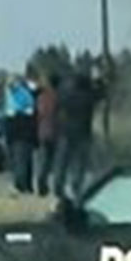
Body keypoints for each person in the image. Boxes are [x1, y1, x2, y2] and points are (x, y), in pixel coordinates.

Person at [55, 62, 106, 199]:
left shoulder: (67, 96)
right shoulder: (88, 96)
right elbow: (102, 94)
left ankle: (58, 185)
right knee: (79, 164)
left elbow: (58, 101)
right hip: (83, 133)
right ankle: (75, 186)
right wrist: (98, 79)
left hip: (65, 132)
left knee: (62, 162)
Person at [3, 65, 39, 196]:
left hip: (20, 131)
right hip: (18, 132)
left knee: (21, 160)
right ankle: (25, 185)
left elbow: (26, 111)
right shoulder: (12, 93)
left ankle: (20, 185)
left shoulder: (20, 94)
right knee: (22, 160)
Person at [34, 72, 62, 197]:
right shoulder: (58, 97)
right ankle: (54, 186)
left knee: (44, 160)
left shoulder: (42, 97)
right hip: (56, 131)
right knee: (55, 161)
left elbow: (39, 113)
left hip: (43, 131)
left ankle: (42, 184)